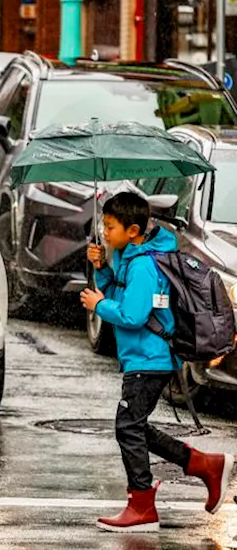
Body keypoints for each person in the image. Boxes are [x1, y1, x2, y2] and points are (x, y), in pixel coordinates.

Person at [80, 192, 233, 532]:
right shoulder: (130, 258)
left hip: (150, 359)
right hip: (144, 357)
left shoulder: (144, 265)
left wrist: (98, 305)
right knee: (135, 426)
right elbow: (121, 292)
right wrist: (102, 268)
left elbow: (132, 315)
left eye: (110, 227)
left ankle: (143, 505)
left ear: (132, 230)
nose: (104, 233)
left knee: (127, 427)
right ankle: (205, 465)